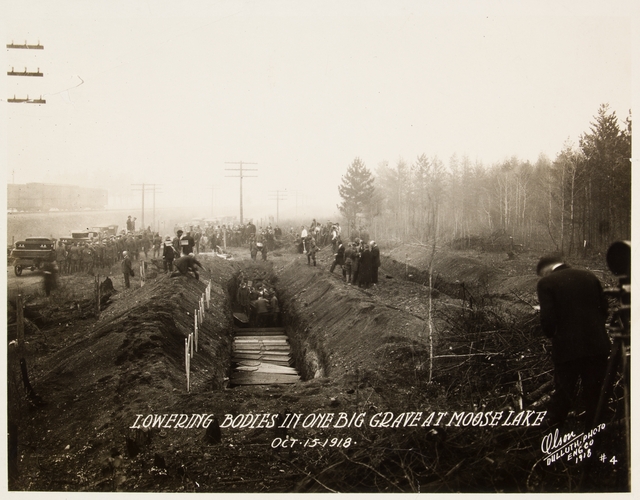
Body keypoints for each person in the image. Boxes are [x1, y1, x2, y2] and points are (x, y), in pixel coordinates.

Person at [536, 255, 611, 430]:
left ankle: (552, 437)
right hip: (597, 345)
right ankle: (596, 438)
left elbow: (547, 319)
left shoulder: (546, 283)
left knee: (563, 392)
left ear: (545, 270)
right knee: (595, 394)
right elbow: (605, 309)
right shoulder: (589, 276)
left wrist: (554, 335)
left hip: (567, 348)